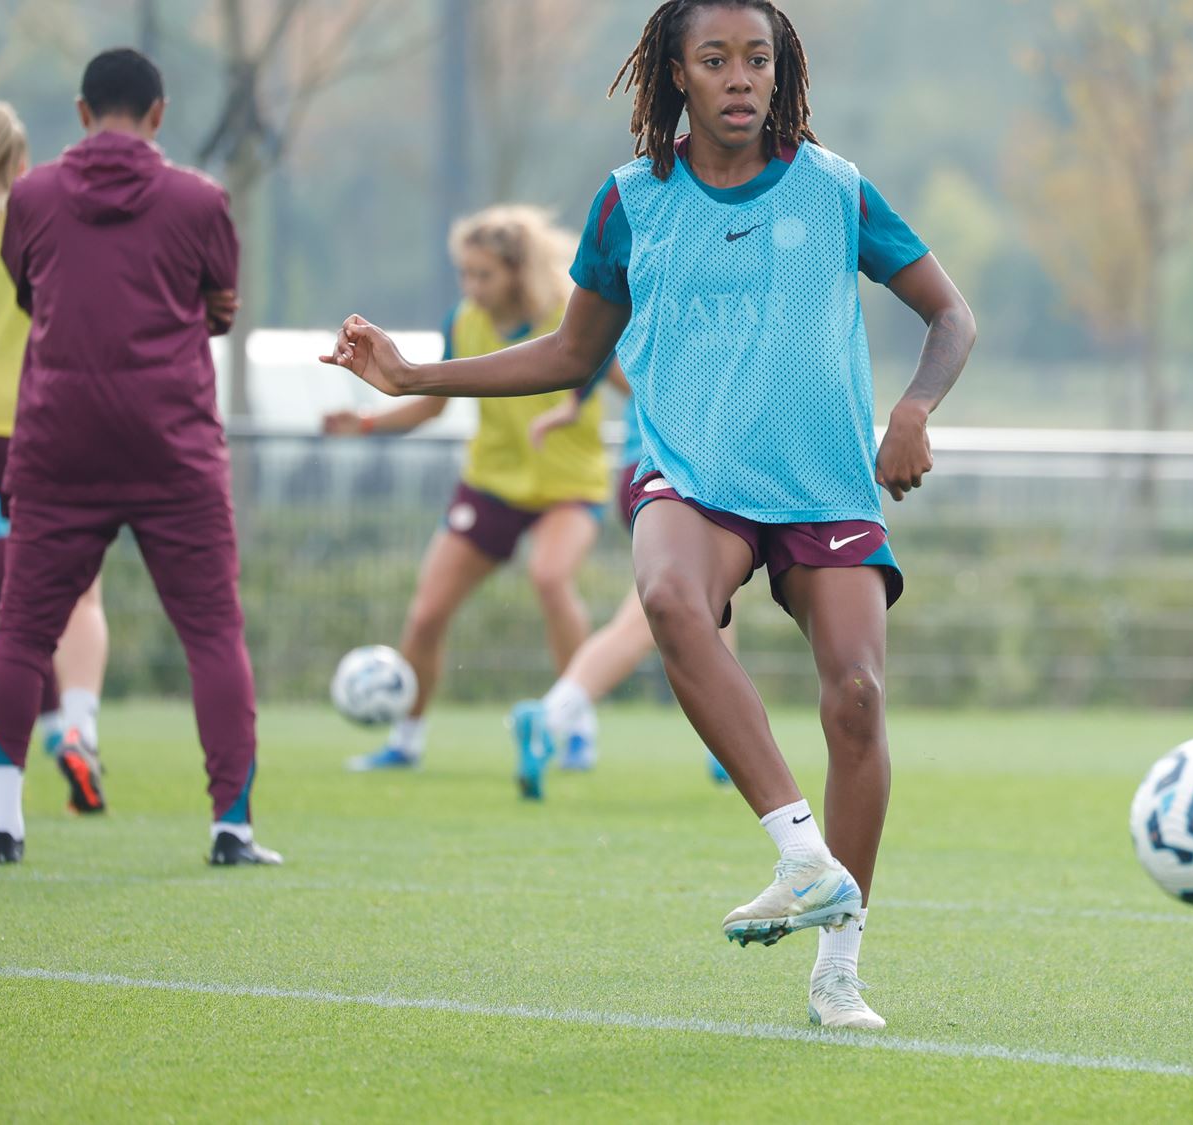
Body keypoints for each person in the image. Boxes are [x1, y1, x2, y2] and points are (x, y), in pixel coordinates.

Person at [323, 0, 975, 1029]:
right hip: (693, 476)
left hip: (824, 486)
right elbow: (569, 355)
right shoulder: (631, 201)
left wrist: (912, 410)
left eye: (756, 58)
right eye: (714, 59)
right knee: (668, 596)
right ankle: (801, 854)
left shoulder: (835, 189)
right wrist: (413, 378)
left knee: (854, 699)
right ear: (674, 74)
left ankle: (838, 971)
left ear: (779, 70)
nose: (738, 77)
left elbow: (950, 313)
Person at [0, 48, 275, 865]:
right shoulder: (199, 200)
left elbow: (30, 290)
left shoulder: (31, 199)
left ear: (79, 112)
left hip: (57, 439)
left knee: (21, 632)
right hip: (172, 442)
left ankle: (1, 820)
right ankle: (231, 827)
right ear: (159, 113)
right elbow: (220, 305)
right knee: (212, 631)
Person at [324, 206, 610, 776]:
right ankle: (406, 738)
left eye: (484, 274)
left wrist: (573, 407)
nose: (471, 286)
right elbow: (431, 405)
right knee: (427, 612)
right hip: (491, 485)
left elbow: (618, 370)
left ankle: (575, 725)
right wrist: (366, 424)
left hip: (568, 487)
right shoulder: (464, 320)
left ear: (517, 271)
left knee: (551, 579)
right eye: (465, 273)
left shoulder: (567, 316)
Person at [0, 102, 111, 814]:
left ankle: (6, 801)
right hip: (20, 425)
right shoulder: (37, 219)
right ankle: (72, 728)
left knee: (10, 608)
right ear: (23, 166)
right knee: (52, 603)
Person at [508, 379, 736, 797]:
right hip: (680, 468)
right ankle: (551, 717)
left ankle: (730, 740)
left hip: (646, 465)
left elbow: (600, 334)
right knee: (645, 620)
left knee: (715, 596)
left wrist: (575, 400)